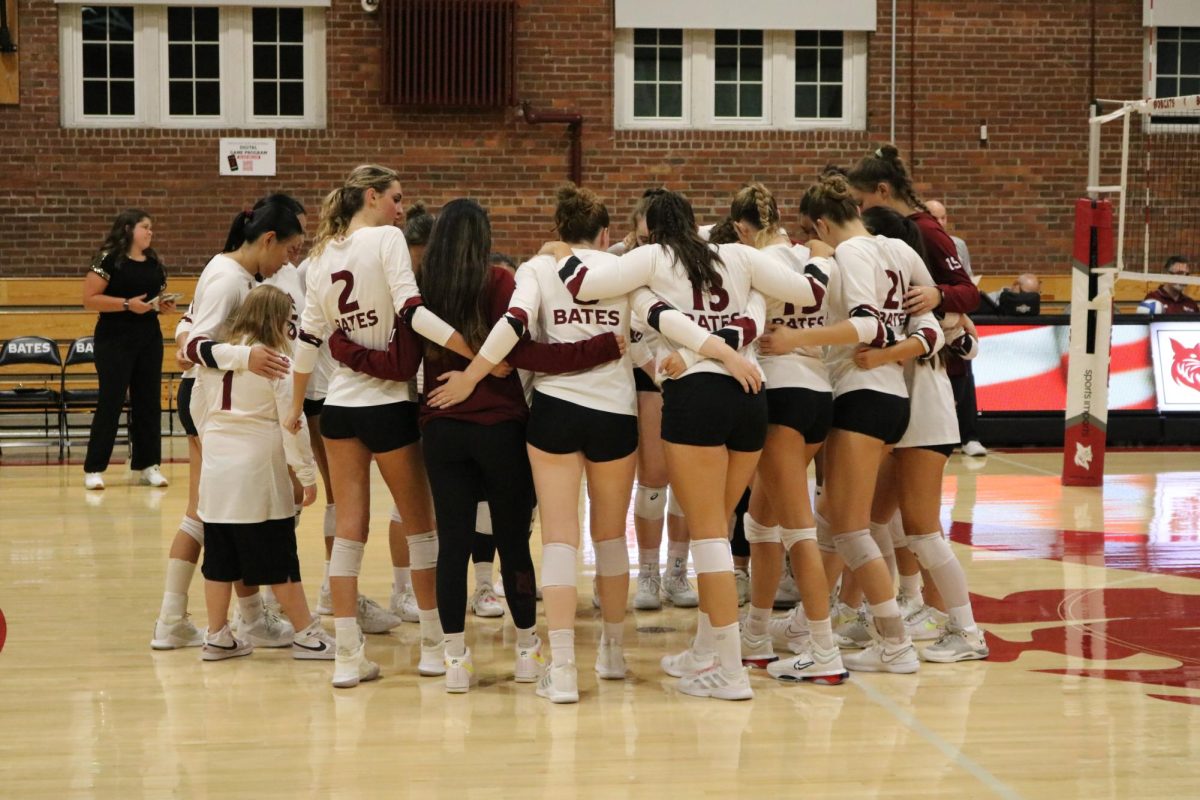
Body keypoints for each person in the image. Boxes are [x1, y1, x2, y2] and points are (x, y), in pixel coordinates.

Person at [328, 198, 626, 694]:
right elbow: (521, 350)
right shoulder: (501, 282)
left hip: (441, 428)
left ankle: (455, 661)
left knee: (453, 547)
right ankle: (529, 651)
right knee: (514, 545)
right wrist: (598, 347)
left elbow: (402, 360)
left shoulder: (421, 291)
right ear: (483, 239)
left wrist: (342, 346)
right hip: (502, 427)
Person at [542, 189, 826, 700]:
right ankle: (705, 651)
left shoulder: (651, 257)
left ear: (649, 227)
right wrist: (811, 267)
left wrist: (562, 256)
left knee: (711, 537)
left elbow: (583, 286)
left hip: (698, 399)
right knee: (719, 522)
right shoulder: (738, 254)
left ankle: (729, 671)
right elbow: (808, 293)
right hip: (752, 396)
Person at [287, 164, 469, 689]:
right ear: (371, 196)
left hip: (339, 407)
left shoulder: (320, 256)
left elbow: (307, 342)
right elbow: (412, 312)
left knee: (349, 531)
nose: (400, 207)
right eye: (395, 197)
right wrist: (472, 352)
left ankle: (346, 655)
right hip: (388, 404)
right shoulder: (387, 239)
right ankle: (434, 647)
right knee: (421, 527)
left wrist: (294, 407)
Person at [758, 175, 942, 675]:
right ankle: (826, 625)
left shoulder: (853, 255)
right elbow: (930, 292)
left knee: (850, 529)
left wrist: (798, 338)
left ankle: (895, 641)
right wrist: (930, 300)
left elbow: (871, 326)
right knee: (842, 523)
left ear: (820, 222)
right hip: (889, 395)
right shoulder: (896, 248)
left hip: (864, 392)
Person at [149, 198, 301, 652]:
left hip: (216, 403)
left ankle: (225, 617)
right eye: (289, 250)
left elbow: (185, 329)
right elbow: (196, 345)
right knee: (207, 513)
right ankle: (178, 618)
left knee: (218, 511)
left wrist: (186, 341)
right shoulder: (228, 278)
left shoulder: (232, 272)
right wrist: (245, 355)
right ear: (268, 239)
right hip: (211, 405)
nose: (288, 262)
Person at [191, 285, 336, 661]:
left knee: (220, 558)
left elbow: (197, 412)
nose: (294, 325)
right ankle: (308, 635)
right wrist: (306, 475)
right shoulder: (274, 362)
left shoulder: (217, 356)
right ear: (276, 319)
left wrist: (217, 443)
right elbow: (293, 424)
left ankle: (217, 635)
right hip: (258, 472)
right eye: (290, 318)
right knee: (278, 556)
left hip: (216, 470)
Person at [81, 209, 174, 490]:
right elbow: (90, 299)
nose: (150, 232)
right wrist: (125, 304)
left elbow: (155, 296)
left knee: (148, 402)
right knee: (111, 401)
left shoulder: (153, 261)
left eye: (151, 227)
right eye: (145, 227)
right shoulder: (107, 259)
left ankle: (148, 465)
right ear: (128, 229)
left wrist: (162, 306)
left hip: (148, 337)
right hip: (114, 340)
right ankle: (94, 468)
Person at [926, 198, 986, 457]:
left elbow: (967, 286)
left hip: (955, 316)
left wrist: (962, 317)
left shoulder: (958, 245)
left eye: (944, 217)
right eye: (934, 217)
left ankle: (969, 436)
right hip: (930, 316)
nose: (940, 222)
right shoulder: (921, 242)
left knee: (964, 370)